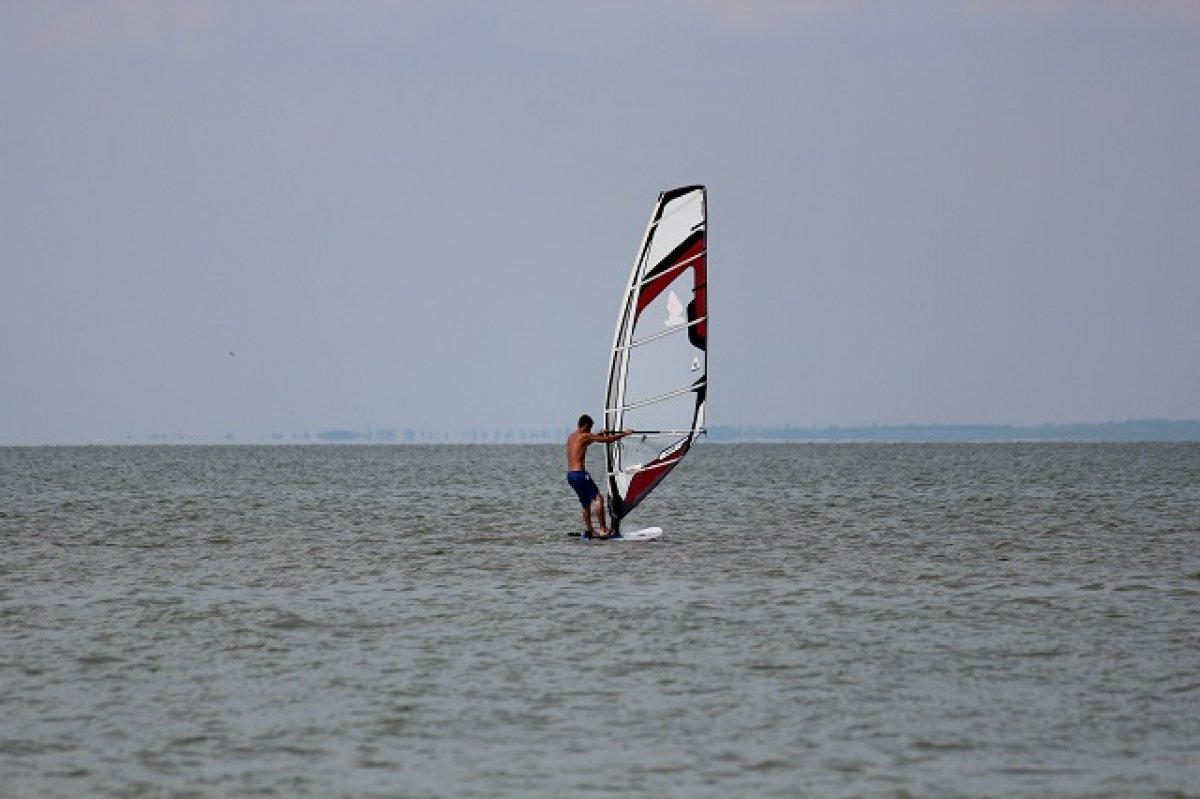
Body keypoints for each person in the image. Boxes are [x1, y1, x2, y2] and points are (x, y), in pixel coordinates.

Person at [565, 414, 631, 539]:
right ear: (584, 426)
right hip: (580, 474)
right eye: (589, 428)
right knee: (598, 498)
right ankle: (603, 529)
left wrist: (598, 434)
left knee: (585, 503)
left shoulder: (572, 437)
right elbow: (608, 440)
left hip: (571, 475)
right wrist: (625, 434)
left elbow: (586, 442)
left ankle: (589, 530)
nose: (590, 431)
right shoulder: (585, 435)